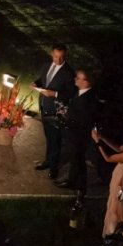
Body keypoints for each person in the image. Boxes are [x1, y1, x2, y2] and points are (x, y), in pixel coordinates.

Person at [32, 44, 77, 178]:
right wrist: (36, 83)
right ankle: (48, 160)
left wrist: (55, 94)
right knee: (48, 137)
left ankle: (54, 167)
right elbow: (44, 79)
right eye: (56, 56)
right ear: (52, 54)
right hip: (44, 106)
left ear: (65, 56)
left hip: (56, 110)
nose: (58, 60)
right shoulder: (46, 66)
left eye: (62, 57)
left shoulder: (69, 72)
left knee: (55, 139)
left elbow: (71, 93)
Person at [56, 69, 100, 192]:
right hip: (74, 133)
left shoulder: (88, 98)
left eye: (78, 77)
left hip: (79, 136)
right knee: (74, 160)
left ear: (85, 81)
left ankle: (81, 188)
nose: (75, 79)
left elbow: (83, 119)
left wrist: (67, 116)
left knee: (79, 162)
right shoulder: (80, 92)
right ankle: (71, 180)